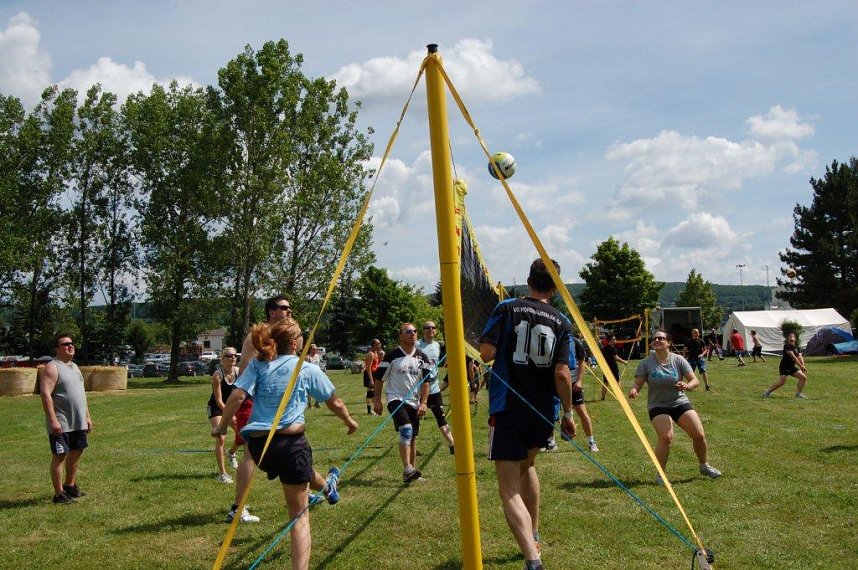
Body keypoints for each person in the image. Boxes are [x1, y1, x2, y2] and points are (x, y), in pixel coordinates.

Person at [215, 316, 357, 570]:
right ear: (294, 343)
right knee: (299, 518)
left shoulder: (259, 364)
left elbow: (237, 396)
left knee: (302, 472)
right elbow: (334, 402)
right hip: (290, 444)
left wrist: (223, 426)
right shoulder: (306, 367)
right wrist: (349, 421)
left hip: (260, 449)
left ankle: (328, 488)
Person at [480, 258, 577, 570]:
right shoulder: (562, 322)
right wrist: (568, 413)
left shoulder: (507, 307)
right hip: (543, 410)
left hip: (508, 406)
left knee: (508, 489)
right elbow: (563, 374)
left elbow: (486, 353)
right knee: (528, 465)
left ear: (528, 279)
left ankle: (532, 560)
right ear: (555, 288)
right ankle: (534, 532)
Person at [220, 294, 294, 523]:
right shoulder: (259, 335)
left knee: (291, 443)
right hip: (253, 400)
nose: (289, 311)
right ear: (271, 311)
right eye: (284, 308)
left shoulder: (282, 335)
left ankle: (302, 488)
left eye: (290, 307)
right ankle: (237, 508)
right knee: (251, 454)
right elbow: (247, 373)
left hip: (273, 400)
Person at [628, 330, 721, 484]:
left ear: (669, 343)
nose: (657, 340)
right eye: (654, 338)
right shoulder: (646, 363)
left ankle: (704, 466)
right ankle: (660, 476)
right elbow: (638, 382)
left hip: (679, 401)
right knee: (666, 437)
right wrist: (634, 389)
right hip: (658, 405)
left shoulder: (678, 360)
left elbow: (694, 380)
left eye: (661, 338)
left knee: (699, 435)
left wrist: (687, 385)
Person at [372, 323, 433, 483]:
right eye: (408, 331)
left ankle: (411, 472)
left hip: (414, 401)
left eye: (414, 331)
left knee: (413, 437)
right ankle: (407, 468)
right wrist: (377, 400)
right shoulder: (392, 355)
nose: (413, 334)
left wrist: (424, 402)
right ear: (400, 336)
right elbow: (379, 378)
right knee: (406, 430)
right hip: (396, 399)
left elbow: (427, 382)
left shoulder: (422, 357)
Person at [40, 334, 93, 504]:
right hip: (61, 421)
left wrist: (87, 416)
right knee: (60, 455)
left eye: (72, 343)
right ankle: (59, 494)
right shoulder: (52, 367)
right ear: (56, 348)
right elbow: (45, 394)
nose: (70, 346)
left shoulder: (75, 367)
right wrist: (53, 420)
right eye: (65, 344)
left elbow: (81, 395)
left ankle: (70, 485)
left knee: (77, 450)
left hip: (78, 421)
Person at [545, 336, 598, 452]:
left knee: (581, 411)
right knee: (551, 411)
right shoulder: (553, 339)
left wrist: (579, 381)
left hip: (573, 382)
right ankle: (551, 441)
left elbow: (582, 362)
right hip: (556, 380)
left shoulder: (575, 342)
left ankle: (591, 441)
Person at [416, 320, 455, 454]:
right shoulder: (417, 345)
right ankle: (412, 447)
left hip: (434, 389)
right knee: (415, 419)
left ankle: (452, 444)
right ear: (423, 330)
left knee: (441, 417)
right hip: (418, 390)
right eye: (427, 327)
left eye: (433, 327)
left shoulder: (438, 345)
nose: (431, 329)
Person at [207, 347, 241, 483]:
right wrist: (229, 415)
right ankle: (223, 474)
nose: (233, 358)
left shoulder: (238, 372)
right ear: (223, 359)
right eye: (229, 355)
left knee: (242, 433)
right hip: (216, 407)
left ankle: (231, 453)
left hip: (231, 406)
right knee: (221, 437)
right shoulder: (217, 375)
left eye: (235, 355)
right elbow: (218, 400)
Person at [763, 332, 807, 399]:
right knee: (782, 382)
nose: (791, 337)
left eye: (792, 336)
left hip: (791, 367)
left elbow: (800, 356)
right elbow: (793, 357)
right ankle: (767, 392)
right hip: (784, 366)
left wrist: (803, 365)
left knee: (803, 378)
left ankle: (798, 394)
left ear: (795, 339)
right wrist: (800, 365)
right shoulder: (787, 346)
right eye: (789, 336)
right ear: (788, 339)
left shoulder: (797, 347)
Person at [600, 334, 627, 401]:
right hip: (613, 367)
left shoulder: (604, 348)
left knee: (606, 383)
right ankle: (621, 397)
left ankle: (603, 397)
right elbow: (616, 358)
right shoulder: (612, 348)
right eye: (614, 339)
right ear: (610, 340)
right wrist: (624, 362)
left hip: (605, 367)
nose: (615, 340)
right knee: (617, 381)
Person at [363, 339, 382, 415]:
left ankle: (374, 409)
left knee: (374, 392)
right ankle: (369, 410)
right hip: (369, 374)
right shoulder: (371, 354)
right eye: (378, 343)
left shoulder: (376, 353)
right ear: (374, 345)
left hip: (374, 374)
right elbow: (368, 367)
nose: (380, 344)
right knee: (370, 393)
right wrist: (371, 380)